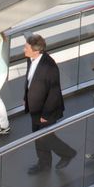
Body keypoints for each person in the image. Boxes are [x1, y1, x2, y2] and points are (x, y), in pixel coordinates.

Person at [23, 34, 76, 174]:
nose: (24, 49)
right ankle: (44, 163)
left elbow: (54, 93)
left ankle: (67, 153)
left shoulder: (50, 67)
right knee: (38, 136)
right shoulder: (31, 58)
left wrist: (45, 115)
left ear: (36, 50)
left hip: (46, 111)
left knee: (45, 136)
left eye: (26, 47)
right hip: (35, 108)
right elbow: (29, 80)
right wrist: (26, 97)